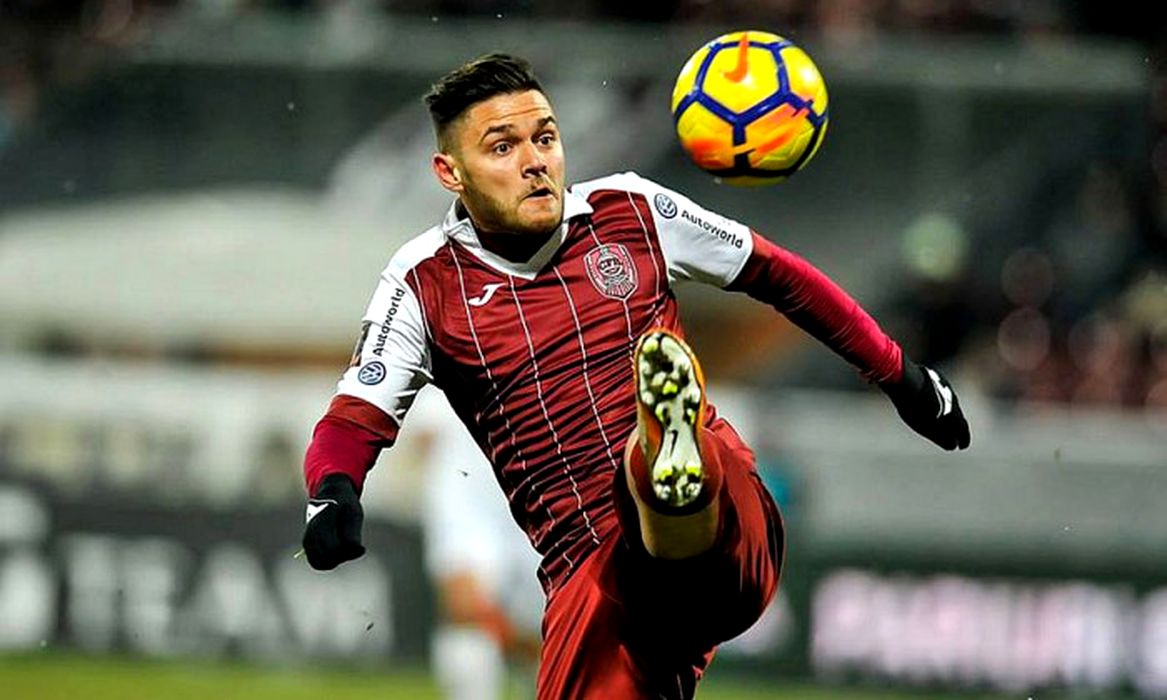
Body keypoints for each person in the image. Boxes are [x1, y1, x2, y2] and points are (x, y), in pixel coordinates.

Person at [300, 54, 970, 699]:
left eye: (546, 138)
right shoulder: (423, 281)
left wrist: (902, 375)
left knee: (659, 475)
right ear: (450, 173)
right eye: (503, 147)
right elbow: (355, 416)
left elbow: (775, 273)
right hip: (593, 574)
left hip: (726, 526)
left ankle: (667, 457)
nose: (535, 161)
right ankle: (664, 463)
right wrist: (333, 493)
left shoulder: (631, 208)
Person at [415, 389, 543, 700]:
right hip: (468, 495)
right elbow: (424, 431)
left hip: (539, 493)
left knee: (548, 629)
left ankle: (541, 671)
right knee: (465, 611)